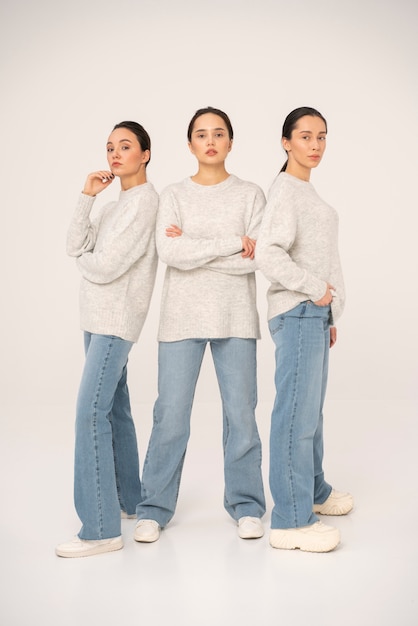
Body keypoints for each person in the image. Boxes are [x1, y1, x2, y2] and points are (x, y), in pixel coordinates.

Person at [134, 106, 266, 543]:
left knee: (241, 414)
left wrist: (197, 248)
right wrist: (231, 244)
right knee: (170, 415)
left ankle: (246, 504)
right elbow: (171, 255)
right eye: (201, 134)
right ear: (189, 144)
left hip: (236, 317)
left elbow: (255, 261)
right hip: (180, 319)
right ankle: (153, 508)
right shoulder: (172, 195)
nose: (210, 141)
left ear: (231, 141)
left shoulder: (251, 195)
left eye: (219, 133)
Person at [56, 121, 158, 558]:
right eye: (110, 147)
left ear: (146, 154)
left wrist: (85, 259)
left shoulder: (147, 202)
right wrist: (87, 196)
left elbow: (109, 264)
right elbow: (73, 244)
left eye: (126, 146)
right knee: (114, 407)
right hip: (94, 317)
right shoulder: (113, 205)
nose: (115, 154)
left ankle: (99, 529)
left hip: (117, 319)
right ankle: (130, 501)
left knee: (89, 413)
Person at [256, 107, 353, 553]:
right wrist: (316, 292)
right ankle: (292, 520)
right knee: (294, 414)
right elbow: (269, 255)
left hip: (312, 316)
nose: (315, 145)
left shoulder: (306, 192)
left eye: (322, 137)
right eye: (305, 136)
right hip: (297, 311)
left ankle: (313, 490)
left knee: (309, 412)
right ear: (286, 142)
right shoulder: (286, 191)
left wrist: (329, 313)